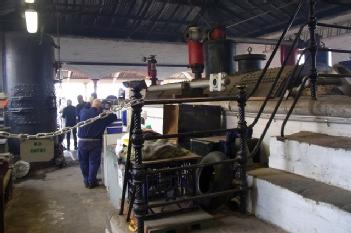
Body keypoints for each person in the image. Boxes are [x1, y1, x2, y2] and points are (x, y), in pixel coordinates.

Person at [78, 99, 117, 188]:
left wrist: (91, 103)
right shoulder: (102, 115)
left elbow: (84, 108)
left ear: (91, 104)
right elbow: (114, 117)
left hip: (82, 141)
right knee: (93, 162)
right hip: (94, 142)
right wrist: (105, 109)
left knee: (83, 162)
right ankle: (91, 182)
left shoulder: (83, 111)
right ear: (100, 106)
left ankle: (86, 180)